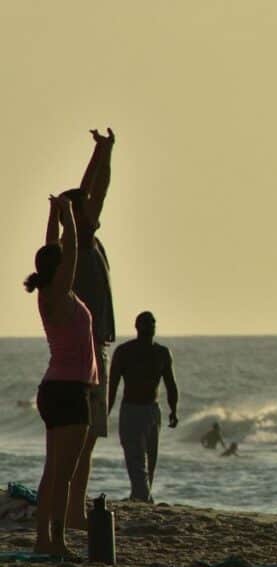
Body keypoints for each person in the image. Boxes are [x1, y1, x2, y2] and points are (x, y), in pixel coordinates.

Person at [26, 194, 96, 558]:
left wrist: (53, 214)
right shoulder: (58, 292)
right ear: (59, 269)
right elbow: (66, 251)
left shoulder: (47, 293)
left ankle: (44, 540)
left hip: (57, 389)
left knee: (53, 471)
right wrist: (68, 212)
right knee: (62, 475)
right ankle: (56, 542)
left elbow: (54, 248)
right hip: (68, 392)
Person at [67, 128, 116, 530]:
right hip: (88, 352)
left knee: (87, 439)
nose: (94, 210)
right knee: (80, 439)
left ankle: (75, 508)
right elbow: (91, 194)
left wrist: (104, 152)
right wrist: (100, 155)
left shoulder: (87, 242)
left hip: (95, 349)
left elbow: (93, 193)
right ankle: (72, 510)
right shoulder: (75, 248)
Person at [107, 311, 179, 503]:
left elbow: (171, 385)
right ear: (137, 326)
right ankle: (143, 496)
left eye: (153, 322)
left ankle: (140, 496)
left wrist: (174, 411)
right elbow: (112, 385)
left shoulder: (162, 353)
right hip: (131, 409)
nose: (150, 326)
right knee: (134, 457)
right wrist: (105, 412)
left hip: (152, 411)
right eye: (146, 322)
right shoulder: (124, 352)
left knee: (150, 458)